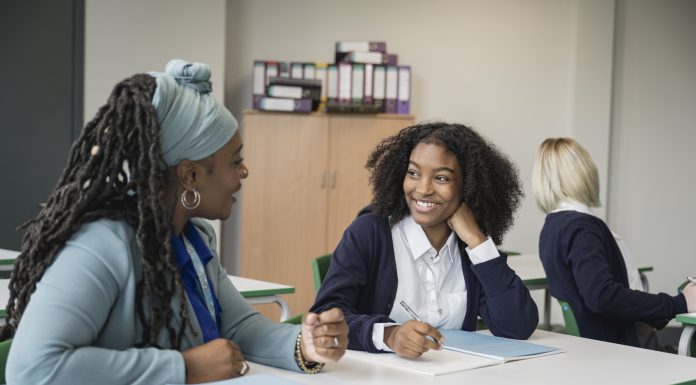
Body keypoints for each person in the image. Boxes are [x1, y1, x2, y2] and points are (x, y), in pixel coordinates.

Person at [3, 59, 348, 385]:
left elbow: (239, 325)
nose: (244, 172)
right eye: (235, 161)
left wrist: (306, 345)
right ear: (191, 175)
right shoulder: (102, 245)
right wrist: (184, 367)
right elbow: (32, 367)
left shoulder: (195, 237)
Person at [311, 122, 538, 358]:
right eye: (413, 173)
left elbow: (518, 327)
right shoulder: (369, 233)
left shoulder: (469, 249)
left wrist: (477, 241)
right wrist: (390, 335)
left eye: (441, 178)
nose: (423, 188)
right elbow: (325, 317)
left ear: (469, 186)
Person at [532, 137, 696, 349]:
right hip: (622, 349)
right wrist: (679, 303)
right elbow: (601, 296)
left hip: (598, 346)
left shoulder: (553, 225)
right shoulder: (582, 228)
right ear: (584, 173)